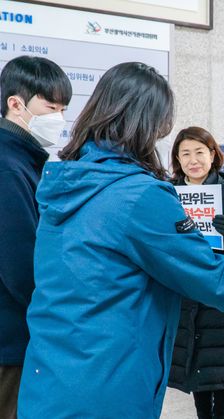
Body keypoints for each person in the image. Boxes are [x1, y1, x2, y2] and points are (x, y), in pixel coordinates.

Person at [16, 62, 224, 419]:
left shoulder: (64, 182)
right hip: (107, 381)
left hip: (49, 370)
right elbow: (215, 280)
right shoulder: (140, 195)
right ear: (149, 124)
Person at [167, 126, 224, 419]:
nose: (193, 160)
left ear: (213, 154)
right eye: (185, 154)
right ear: (177, 160)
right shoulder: (167, 194)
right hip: (185, 295)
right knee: (196, 373)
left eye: (200, 152)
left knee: (223, 371)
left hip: (222, 293)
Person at [0, 55, 71, 418]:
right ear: (16, 104)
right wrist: (55, 317)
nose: (59, 118)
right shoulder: (9, 166)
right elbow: (19, 261)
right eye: (50, 106)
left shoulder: (24, 159)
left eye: (63, 108)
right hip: (9, 336)